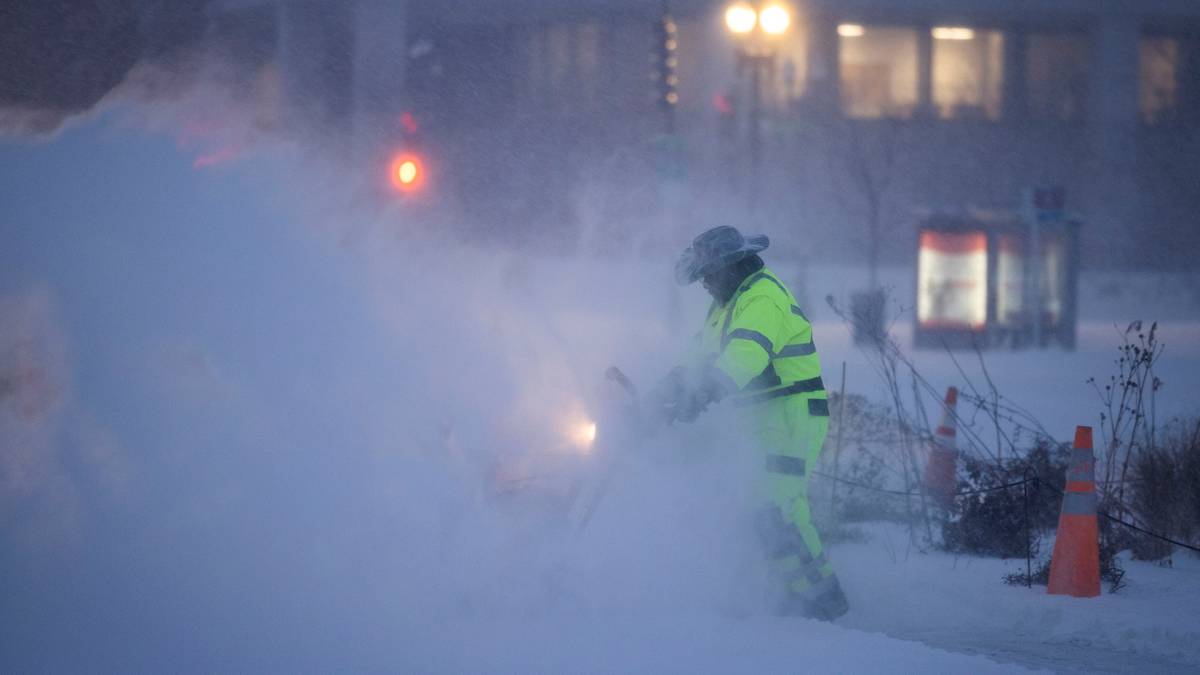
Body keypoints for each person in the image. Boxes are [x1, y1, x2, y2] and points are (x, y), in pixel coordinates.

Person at [650, 225, 849, 621]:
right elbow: (694, 362)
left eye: (708, 274)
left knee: (778, 506)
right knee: (753, 506)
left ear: (731, 266)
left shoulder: (763, 297)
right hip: (763, 417)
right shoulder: (725, 304)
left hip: (792, 415)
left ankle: (824, 601)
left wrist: (700, 397)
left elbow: (744, 360)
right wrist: (657, 396)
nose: (704, 283)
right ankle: (790, 592)